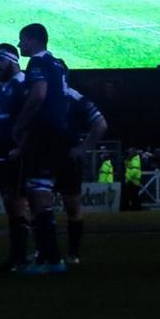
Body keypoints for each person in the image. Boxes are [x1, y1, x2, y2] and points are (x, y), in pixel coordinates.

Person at [10, 22, 70, 274]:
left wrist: (20, 125)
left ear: (34, 40)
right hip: (58, 131)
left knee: (39, 193)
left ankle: (51, 259)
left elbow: (38, 94)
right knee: (40, 191)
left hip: (43, 132)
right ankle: (48, 256)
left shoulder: (36, 64)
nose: (19, 45)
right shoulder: (59, 63)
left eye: (22, 40)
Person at [0, 44, 30, 271]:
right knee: (10, 204)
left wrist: (21, 148)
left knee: (18, 204)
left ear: (12, 61)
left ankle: (21, 257)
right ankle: (17, 256)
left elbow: (30, 119)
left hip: (16, 154)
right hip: (2, 155)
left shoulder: (23, 85)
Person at [60, 84, 107, 264]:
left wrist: (83, 148)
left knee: (68, 205)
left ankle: (71, 253)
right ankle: (50, 252)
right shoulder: (43, 93)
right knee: (40, 204)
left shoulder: (74, 98)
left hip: (65, 158)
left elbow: (100, 123)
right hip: (53, 157)